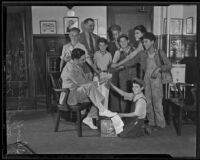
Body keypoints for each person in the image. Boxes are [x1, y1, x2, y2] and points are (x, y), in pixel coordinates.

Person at [59, 48, 117, 130]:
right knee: (94, 93)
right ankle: (102, 110)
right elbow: (84, 83)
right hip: (69, 97)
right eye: (82, 59)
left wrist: (103, 80)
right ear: (75, 59)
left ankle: (89, 118)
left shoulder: (77, 66)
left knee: (100, 98)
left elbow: (87, 81)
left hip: (78, 93)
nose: (84, 61)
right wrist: (101, 82)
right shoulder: (70, 69)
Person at [141, 32, 172, 130]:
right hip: (146, 80)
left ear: (152, 42)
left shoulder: (159, 52)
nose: (144, 44)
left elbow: (169, 65)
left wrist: (158, 69)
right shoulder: (144, 53)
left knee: (157, 102)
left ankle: (161, 124)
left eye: (146, 42)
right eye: (143, 42)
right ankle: (151, 122)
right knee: (148, 102)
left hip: (157, 80)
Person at [110, 34, 137, 113]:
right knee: (124, 94)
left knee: (134, 94)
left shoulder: (134, 50)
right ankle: (124, 115)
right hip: (123, 75)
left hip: (134, 74)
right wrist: (120, 67)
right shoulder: (118, 52)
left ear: (128, 41)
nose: (123, 43)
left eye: (124, 40)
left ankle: (133, 114)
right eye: (121, 41)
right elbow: (113, 65)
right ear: (119, 43)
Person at [93, 37, 112, 109]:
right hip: (97, 75)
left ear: (106, 46)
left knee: (105, 95)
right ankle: (97, 114)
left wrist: (108, 75)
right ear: (98, 46)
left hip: (106, 76)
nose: (102, 47)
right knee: (97, 96)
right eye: (100, 45)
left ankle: (104, 114)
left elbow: (110, 66)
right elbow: (94, 66)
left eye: (104, 45)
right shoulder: (96, 54)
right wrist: (97, 73)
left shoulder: (109, 54)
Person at [107, 25, 122, 114]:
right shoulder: (109, 44)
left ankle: (122, 111)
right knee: (113, 89)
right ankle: (114, 111)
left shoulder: (125, 42)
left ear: (120, 33)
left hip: (123, 70)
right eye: (113, 34)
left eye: (116, 34)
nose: (115, 36)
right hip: (113, 70)